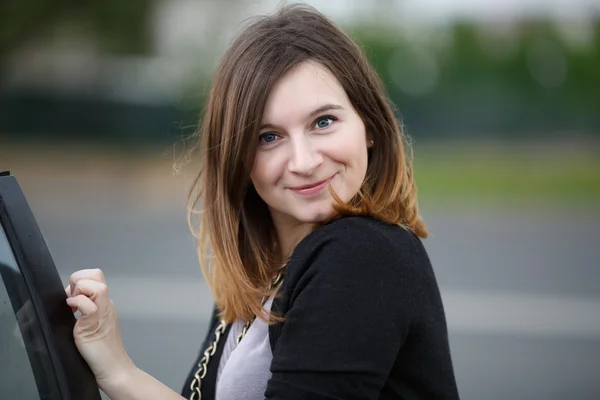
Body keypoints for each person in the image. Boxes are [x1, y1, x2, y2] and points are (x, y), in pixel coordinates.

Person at [65, 4, 460, 400]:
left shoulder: (362, 253)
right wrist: (117, 368)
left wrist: (119, 372)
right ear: (239, 157)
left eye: (323, 122)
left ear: (368, 127)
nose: (304, 162)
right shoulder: (265, 271)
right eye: (268, 137)